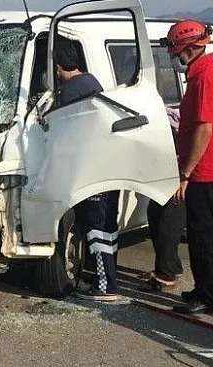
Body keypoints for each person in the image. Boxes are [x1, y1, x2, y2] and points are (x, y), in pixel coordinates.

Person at [162, 19, 213, 315]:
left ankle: (207, 297)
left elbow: (203, 129)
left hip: (207, 170)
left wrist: (185, 172)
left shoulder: (205, 79)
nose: (176, 57)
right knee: (202, 234)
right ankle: (203, 290)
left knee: (203, 236)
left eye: (178, 50)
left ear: (191, 48)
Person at [52, 42, 121, 302]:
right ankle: (107, 276)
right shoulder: (92, 82)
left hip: (91, 170)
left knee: (94, 228)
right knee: (108, 227)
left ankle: (105, 286)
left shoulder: (67, 92)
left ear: (58, 66)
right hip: (110, 167)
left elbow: (58, 127)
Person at [139, 106, 186, 292]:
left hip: (180, 170)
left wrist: (184, 174)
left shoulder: (169, 123)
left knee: (168, 220)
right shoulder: (160, 114)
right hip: (171, 166)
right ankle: (172, 266)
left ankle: (166, 275)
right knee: (156, 213)